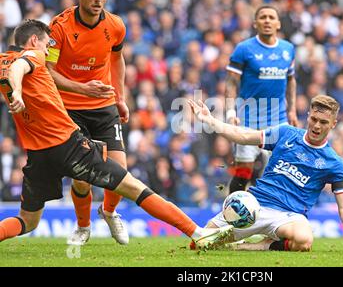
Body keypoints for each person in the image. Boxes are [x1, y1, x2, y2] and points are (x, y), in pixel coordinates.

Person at [0, 19, 233, 251]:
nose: (48, 49)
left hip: (38, 155)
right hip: (69, 146)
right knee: (134, 187)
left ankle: (91, 222)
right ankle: (198, 233)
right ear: (33, 41)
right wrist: (18, 92)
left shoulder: (2, 62)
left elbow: (14, 68)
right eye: (45, 44)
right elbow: (21, 65)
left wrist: (16, 91)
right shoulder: (34, 56)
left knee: (28, 221)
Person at [189, 95, 343, 252]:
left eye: (323, 122)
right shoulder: (286, 133)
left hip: (289, 217)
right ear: (309, 115)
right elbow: (244, 136)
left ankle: (259, 246)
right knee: (199, 243)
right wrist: (209, 120)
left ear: (333, 124)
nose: (317, 126)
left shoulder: (334, 163)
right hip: (254, 205)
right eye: (314, 119)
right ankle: (242, 236)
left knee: (304, 240)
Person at [45, 0, 129, 245]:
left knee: (120, 171)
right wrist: (83, 89)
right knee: (82, 178)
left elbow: (117, 60)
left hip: (104, 104)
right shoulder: (59, 27)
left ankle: (109, 211)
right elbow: (49, 71)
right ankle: (83, 226)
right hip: (70, 107)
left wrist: (120, 97)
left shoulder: (116, 26)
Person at [224, 5, 299, 194]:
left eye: (271, 17)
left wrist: (292, 110)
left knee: (277, 173)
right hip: (248, 120)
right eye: (263, 17)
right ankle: (231, 215)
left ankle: (273, 216)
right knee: (243, 173)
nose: (267, 20)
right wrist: (231, 112)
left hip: (278, 121)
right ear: (255, 23)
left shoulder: (288, 49)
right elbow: (231, 82)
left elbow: (291, 80)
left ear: (278, 23)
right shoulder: (244, 49)